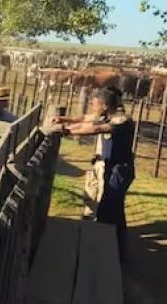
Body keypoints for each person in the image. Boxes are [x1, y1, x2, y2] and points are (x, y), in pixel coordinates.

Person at [53, 86, 135, 256]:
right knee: (113, 208)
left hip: (119, 170)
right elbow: (85, 119)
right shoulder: (107, 116)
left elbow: (95, 129)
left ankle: (109, 249)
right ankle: (116, 248)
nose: (92, 106)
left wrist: (67, 131)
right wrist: (63, 120)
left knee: (109, 208)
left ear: (105, 105)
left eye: (95, 103)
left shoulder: (121, 121)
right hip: (112, 168)